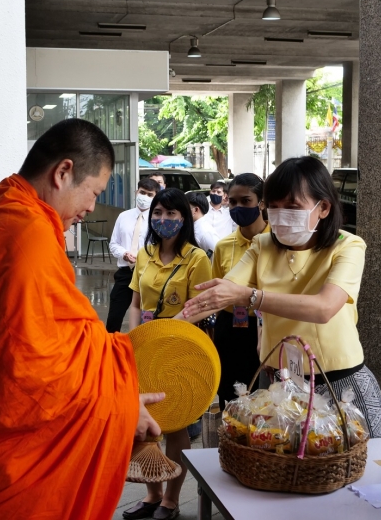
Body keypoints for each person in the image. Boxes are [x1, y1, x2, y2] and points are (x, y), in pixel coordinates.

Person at [0, 118, 164, 520]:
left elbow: (47, 334)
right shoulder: (28, 234)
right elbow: (34, 366)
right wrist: (121, 400)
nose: (90, 208)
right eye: (93, 192)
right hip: (21, 445)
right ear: (63, 173)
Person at [183, 157, 381, 439]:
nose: (281, 216)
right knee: (282, 461)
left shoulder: (347, 246)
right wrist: (161, 334)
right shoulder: (263, 245)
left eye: (292, 207)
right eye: (274, 206)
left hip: (340, 384)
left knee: (358, 460)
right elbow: (223, 292)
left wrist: (252, 297)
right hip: (282, 387)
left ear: (324, 207)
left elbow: (324, 308)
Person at [124, 188, 213, 520]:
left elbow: (201, 306)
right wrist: (135, 339)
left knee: (175, 424)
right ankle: (152, 494)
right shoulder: (144, 253)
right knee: (148, 422)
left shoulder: (196, 258)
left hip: (179, 350)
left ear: (184, 218)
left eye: (171, 213)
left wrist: (165, 331)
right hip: (145, 347)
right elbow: (136, 303)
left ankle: (171, 501)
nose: (163, 219)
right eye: (158, 213)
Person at [210, 173, 270, 410]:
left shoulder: (276, 242)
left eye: (246, 201)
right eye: (232, 202)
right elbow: (217, 293)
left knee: (263, 400)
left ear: (261, 203)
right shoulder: (223, 246)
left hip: (264, 329)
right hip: (230, 327)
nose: (238, 208)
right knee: (230, 396)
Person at [106, 178, 162, 332]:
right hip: (125, 273)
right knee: (114, 317)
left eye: (150, 194)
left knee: (147, 317)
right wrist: (124, 253)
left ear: (155, 197)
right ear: (136, 192)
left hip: (149, 273)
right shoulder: (123, 216)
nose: (145, 197)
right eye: (142, 192)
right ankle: (111, 344)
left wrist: (145, 257)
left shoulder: (157, 219)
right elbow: (113, 244)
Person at [186, 191, 220, 256]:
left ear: (196, 210)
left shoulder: (205, 233)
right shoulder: (192, 227)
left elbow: (217, 257)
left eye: (185, 208)